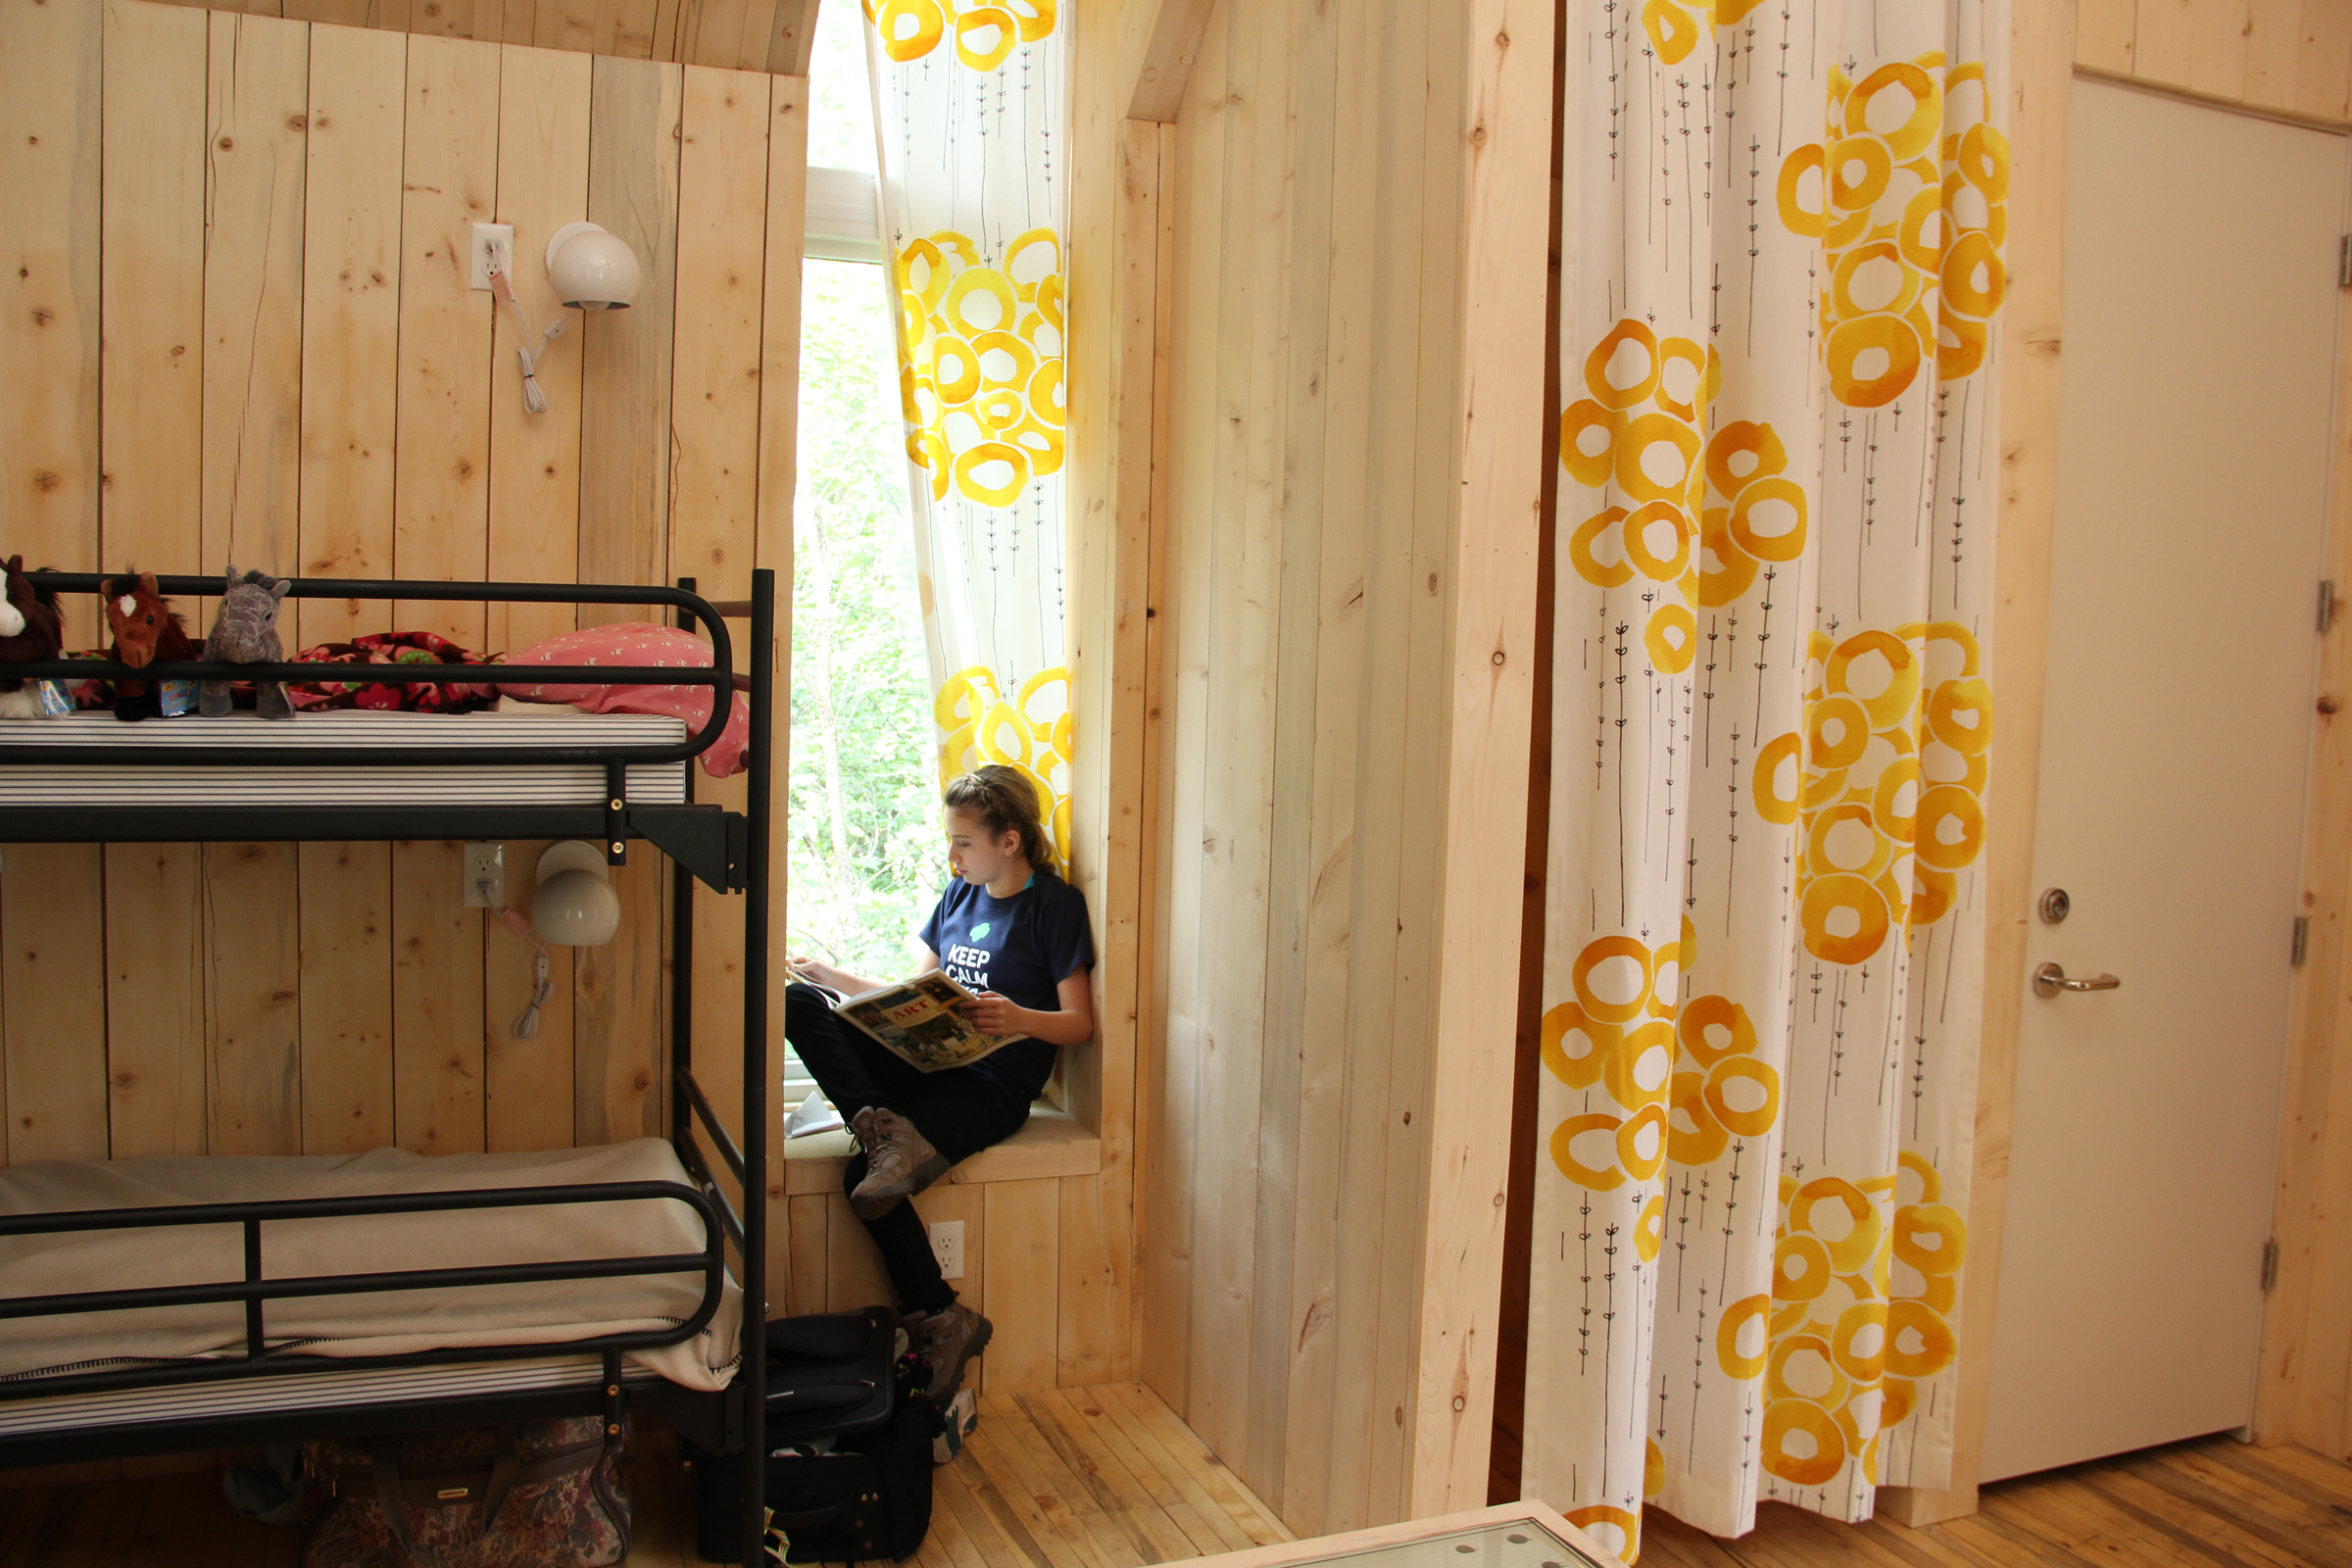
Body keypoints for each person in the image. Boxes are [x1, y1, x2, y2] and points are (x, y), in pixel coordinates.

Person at [785, 764, 1095, 1398]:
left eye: (963, 841)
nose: (952, 855)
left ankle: (941, 1316)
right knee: (798, 1002)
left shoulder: (1053, 906)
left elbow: (1079, 1023)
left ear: (1009, 841)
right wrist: (833, 975)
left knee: (862, 1181)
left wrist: (1015, 1016)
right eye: (951, 841)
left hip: (994, 1083)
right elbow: (914, 992)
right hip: (927, 1062)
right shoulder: (957, 896)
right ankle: (882, 1124)